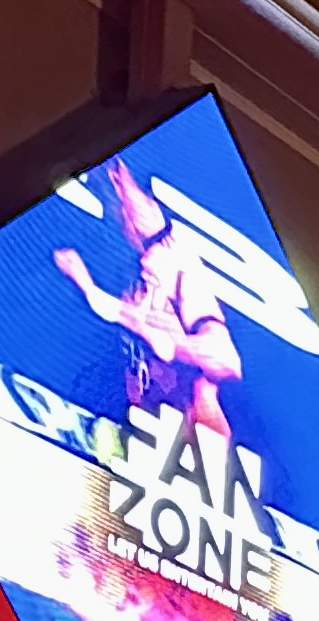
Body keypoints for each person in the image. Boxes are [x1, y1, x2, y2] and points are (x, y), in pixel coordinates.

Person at [53, 158, 242, 435]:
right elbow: (110, 307)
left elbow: (225, 360)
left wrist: (171, 342)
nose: (146, 263)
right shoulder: (146, 276)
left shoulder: (186, 288)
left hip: (177, 432)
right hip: (144, 415)